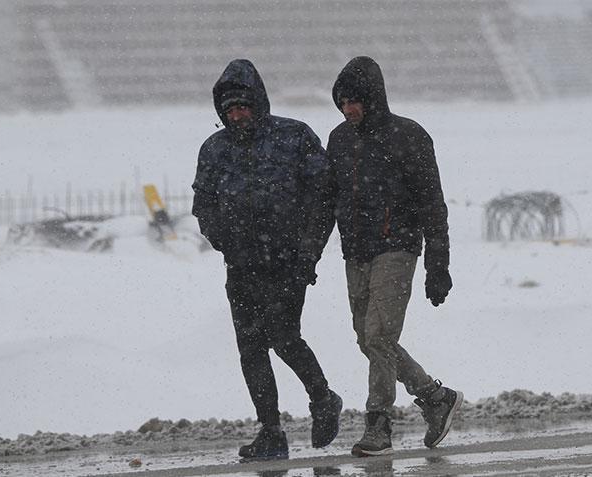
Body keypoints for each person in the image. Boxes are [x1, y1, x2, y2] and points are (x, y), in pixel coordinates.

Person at [191, 59, 342, 460]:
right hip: (241, 266)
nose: (237, 115)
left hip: (288, 262)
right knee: (251, 347)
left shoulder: (294, 137)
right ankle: (271, 430)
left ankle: (323, 398)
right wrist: (224, 239)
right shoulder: (215, 149)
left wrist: (307, 253)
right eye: (229, 110)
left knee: (282, 335)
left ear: (258, 103)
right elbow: (203, 203)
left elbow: (323, 199)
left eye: (243, 106)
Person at [322, 56, 462, 457]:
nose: (349, 110)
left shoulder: (409, 135)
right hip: (356, 252)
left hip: (397, 247)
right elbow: (326, 204)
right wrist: (307, 256)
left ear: (373, 98)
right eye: (342, 102)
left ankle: (379, 424)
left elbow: (433, 206)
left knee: (379, 336)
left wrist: (439, 265)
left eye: (355, 101)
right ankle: (435, 398)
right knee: (369, 339)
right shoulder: (339, 139)